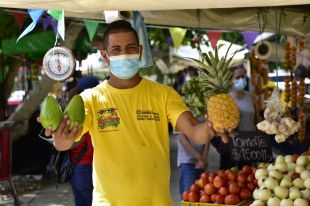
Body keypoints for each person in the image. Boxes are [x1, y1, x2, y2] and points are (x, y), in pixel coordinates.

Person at [40, 20, 222, 205]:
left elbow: (196, 133)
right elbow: (68, 140)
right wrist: (61, 137)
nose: (124, 54)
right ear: (105, 56)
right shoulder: (91, 99)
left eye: (130, 48)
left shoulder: (164, 94)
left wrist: (210, 127)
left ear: (140, 51)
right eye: (116, 49)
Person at [217, 65, 260, 169]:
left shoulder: (251, 97)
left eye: (243, 76)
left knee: (248, 178)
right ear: (230, 80)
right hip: (231, 146)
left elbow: (257, 121)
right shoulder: (225, 99)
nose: (241, 79)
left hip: (249, 144)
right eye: (238, 77)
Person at [68, 76, 99, 206]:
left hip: (73, 165)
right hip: (85, 166)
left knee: (80, 202)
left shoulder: (71, 108)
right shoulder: (87, 110)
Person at [177, 117, 209, 197]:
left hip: (201, 162)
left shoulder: (203, 116)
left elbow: (207, 139)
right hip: (187, 161)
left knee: (200, 193)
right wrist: (199, 158)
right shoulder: (181, 116)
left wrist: (203, 159)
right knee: (188, 193)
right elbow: (183, 140)